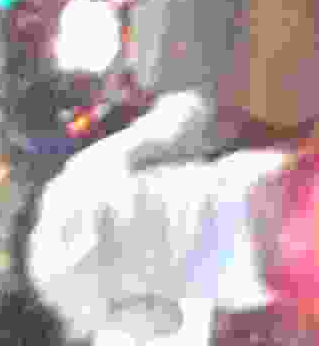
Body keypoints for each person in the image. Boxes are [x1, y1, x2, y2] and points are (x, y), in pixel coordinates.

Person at [16, 88, 293, 341]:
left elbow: (166, 320)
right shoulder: (67, 188)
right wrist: (182, 104)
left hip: (245, 271)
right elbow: (169, 130)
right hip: (250, 190)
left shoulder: (77, 310)